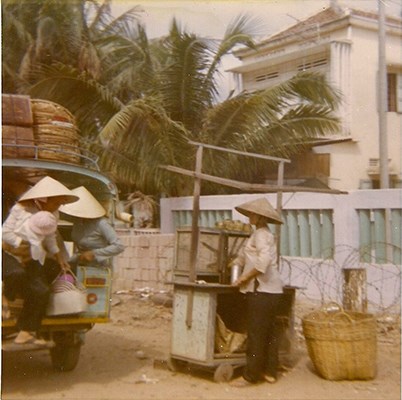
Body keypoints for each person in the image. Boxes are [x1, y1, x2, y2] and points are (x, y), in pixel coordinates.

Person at [2, 176, 78, 345]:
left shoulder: (53, 214)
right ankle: (5, 298)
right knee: (16, 273)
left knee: (41, 290)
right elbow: (5, 233)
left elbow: (50, 236)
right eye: (57, 202)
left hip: (34, 255)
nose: (59, 206)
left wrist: (59, 258)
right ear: (45, 199)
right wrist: (20, 245)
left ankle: (26, 330)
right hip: (9, 252)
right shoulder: (20, 209)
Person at [230, 197, 284, 386]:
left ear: (260, 217)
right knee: (269, 333)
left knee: (255, 334)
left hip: (261, 291)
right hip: (273, 291)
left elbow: (263, 263)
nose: (249, 217)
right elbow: (249, 258)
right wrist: (237, 263)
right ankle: (269, 372)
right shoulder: (262, 234)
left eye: (252, 214)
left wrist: (243, 278)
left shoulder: (261, 235)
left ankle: (250, 376)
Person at [59, 186, 125, 269]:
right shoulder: (78, 221)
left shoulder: (101, 224)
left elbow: (119, 246)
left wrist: (94, 253)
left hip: (98, 265)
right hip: (79, 261)